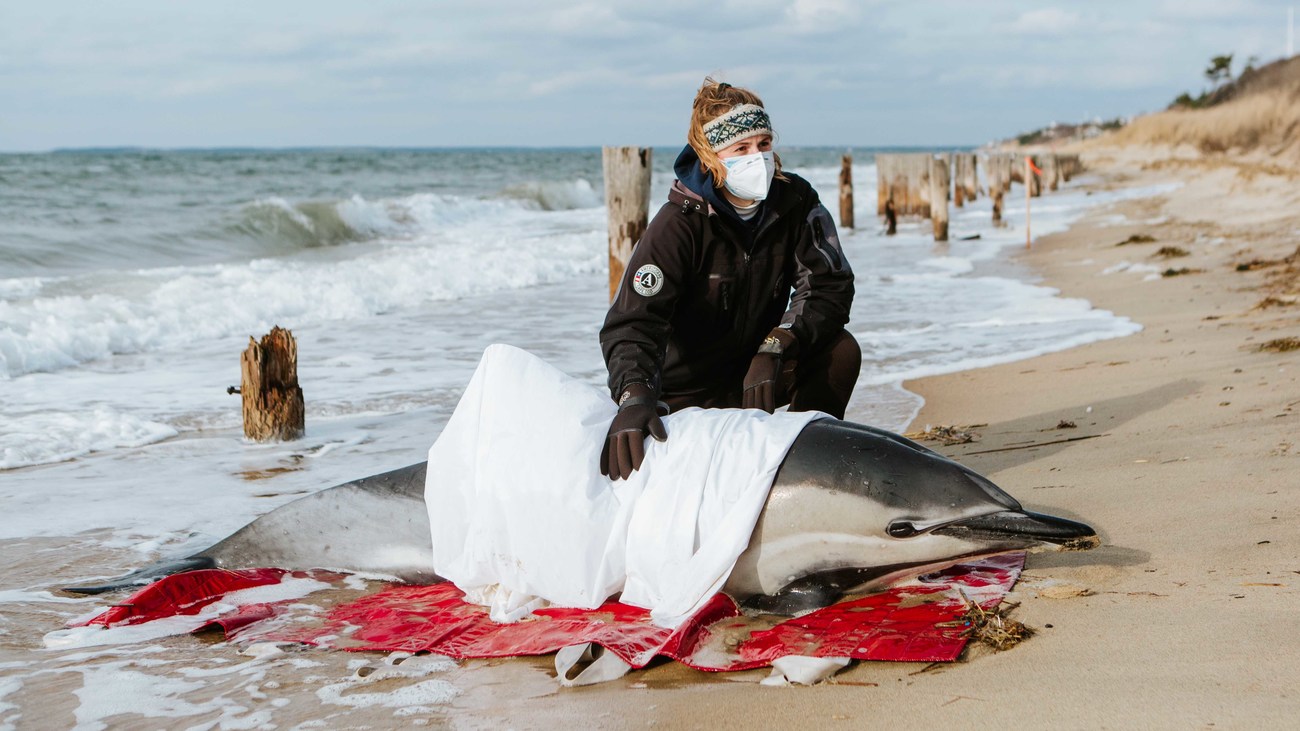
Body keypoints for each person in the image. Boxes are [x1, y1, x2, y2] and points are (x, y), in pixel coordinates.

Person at [598, 78, 861, 480]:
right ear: (711, 157)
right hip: (684, 392)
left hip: (758, 376)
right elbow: (633, 323)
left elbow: (829, 286)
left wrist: (777, 344)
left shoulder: (796, 201)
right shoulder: (678, 225)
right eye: (741, 148)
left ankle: (809, 468)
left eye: (764, 144)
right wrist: (634, 396)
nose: (758, 157)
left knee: (839, 351)